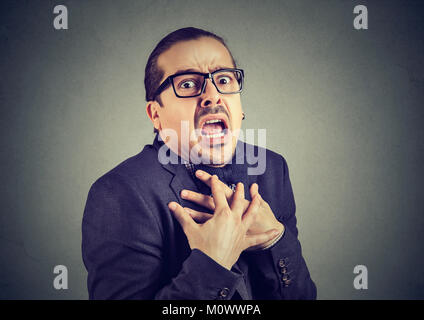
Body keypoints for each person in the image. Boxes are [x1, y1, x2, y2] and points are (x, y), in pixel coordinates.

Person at [82, 27, 317, 300]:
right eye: (187, 84)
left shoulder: (273, 170)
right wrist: (212, 264)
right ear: (155, 115)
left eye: (224, 79)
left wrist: (275, 238)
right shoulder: (119, 194)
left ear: (240, 109)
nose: (212, 95)